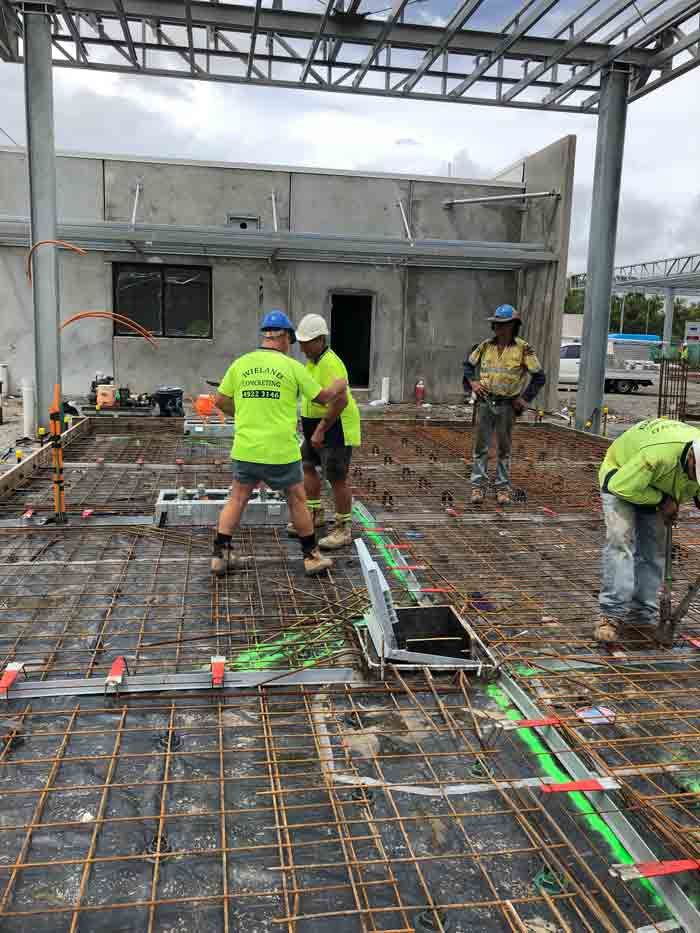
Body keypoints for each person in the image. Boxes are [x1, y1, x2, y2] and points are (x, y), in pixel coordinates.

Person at [211, 310, 348, 577]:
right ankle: (310, 556)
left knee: (237, 497)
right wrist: (339, 386)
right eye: (291, 340)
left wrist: (244, 414)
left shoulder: (241, 363)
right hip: (280, 451)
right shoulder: (292, 367)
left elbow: (220, 400)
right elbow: (321, 398)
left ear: (265, 335)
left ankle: (220, 555)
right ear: (284, 337)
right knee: (297, 499)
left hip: (247, 448)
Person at [595, 418, 700, 643]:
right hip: (621, 477)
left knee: (654, 551)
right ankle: (611, 615)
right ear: (691, 458)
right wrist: (663, 500)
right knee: (620, 543)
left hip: (659, 485)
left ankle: (642, 615)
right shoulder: (657, 455)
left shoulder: (696, 458)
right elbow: (621, 487)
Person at [290, 313, 361, 549]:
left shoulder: (331, 362)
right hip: (316, 425)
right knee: (308, 465)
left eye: (306, 342)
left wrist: (320, 430)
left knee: (336, 476)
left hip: (335, 426)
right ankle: (315, 513)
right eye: (300, 342)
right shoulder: (312, 362)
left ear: (320, 340)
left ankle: (343, 528)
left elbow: (340, 402)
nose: (301, 347)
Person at [463, 305, 546, 505]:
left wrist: (524, 399)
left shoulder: (523, 349)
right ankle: (478, 487)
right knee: (481, 447)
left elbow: (539, 377)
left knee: (503, 448)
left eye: (504, 325)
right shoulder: (485, 346)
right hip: (485, 401)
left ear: (513, 326)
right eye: (497, 324)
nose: (499, 329)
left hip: (507, 405)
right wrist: (472, 383)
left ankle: (502, 488)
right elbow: (467, 366)